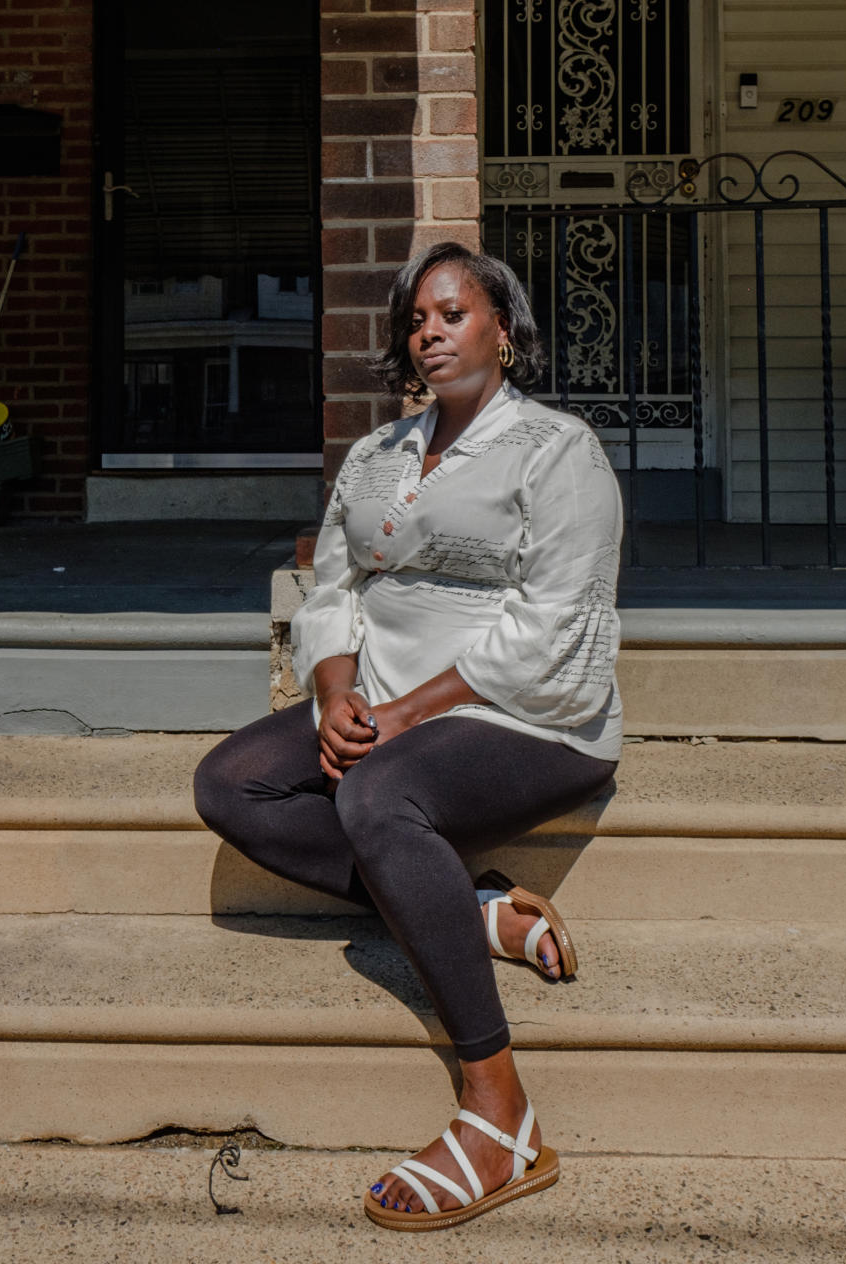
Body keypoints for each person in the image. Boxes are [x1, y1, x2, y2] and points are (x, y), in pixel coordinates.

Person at [194, 241, 623, 1231]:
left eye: (451, 314)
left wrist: (400, 719)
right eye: (415, 322)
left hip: (529, 714)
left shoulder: (559, 454)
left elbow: (556, 627)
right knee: (232, 785)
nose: (428, 332)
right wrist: (340, 690)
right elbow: (336, 587)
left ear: (504, 332)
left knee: (378, 795)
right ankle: (467, 905)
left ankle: (499, 1110)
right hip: (386, 698)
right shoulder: (379, 458)